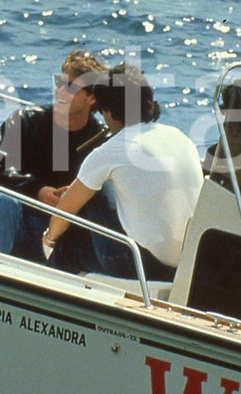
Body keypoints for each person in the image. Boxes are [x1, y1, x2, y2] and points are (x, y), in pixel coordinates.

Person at [41, 64, 204, 280]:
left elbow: (63, 213)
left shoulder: (112, 149)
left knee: (70, 240)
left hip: (138, 266)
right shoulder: (180, 138)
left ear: (109, 111)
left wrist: (49, 240)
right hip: (183, 264)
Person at [0, 50, 108, 261]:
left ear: (91, 98)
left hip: (65, 233)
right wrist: (38, 191)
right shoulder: (25, 120)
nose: (60, 91)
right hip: (19, 219)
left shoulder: (101, 141)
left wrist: (76, 196)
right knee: (4, 202)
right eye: (59, 83)